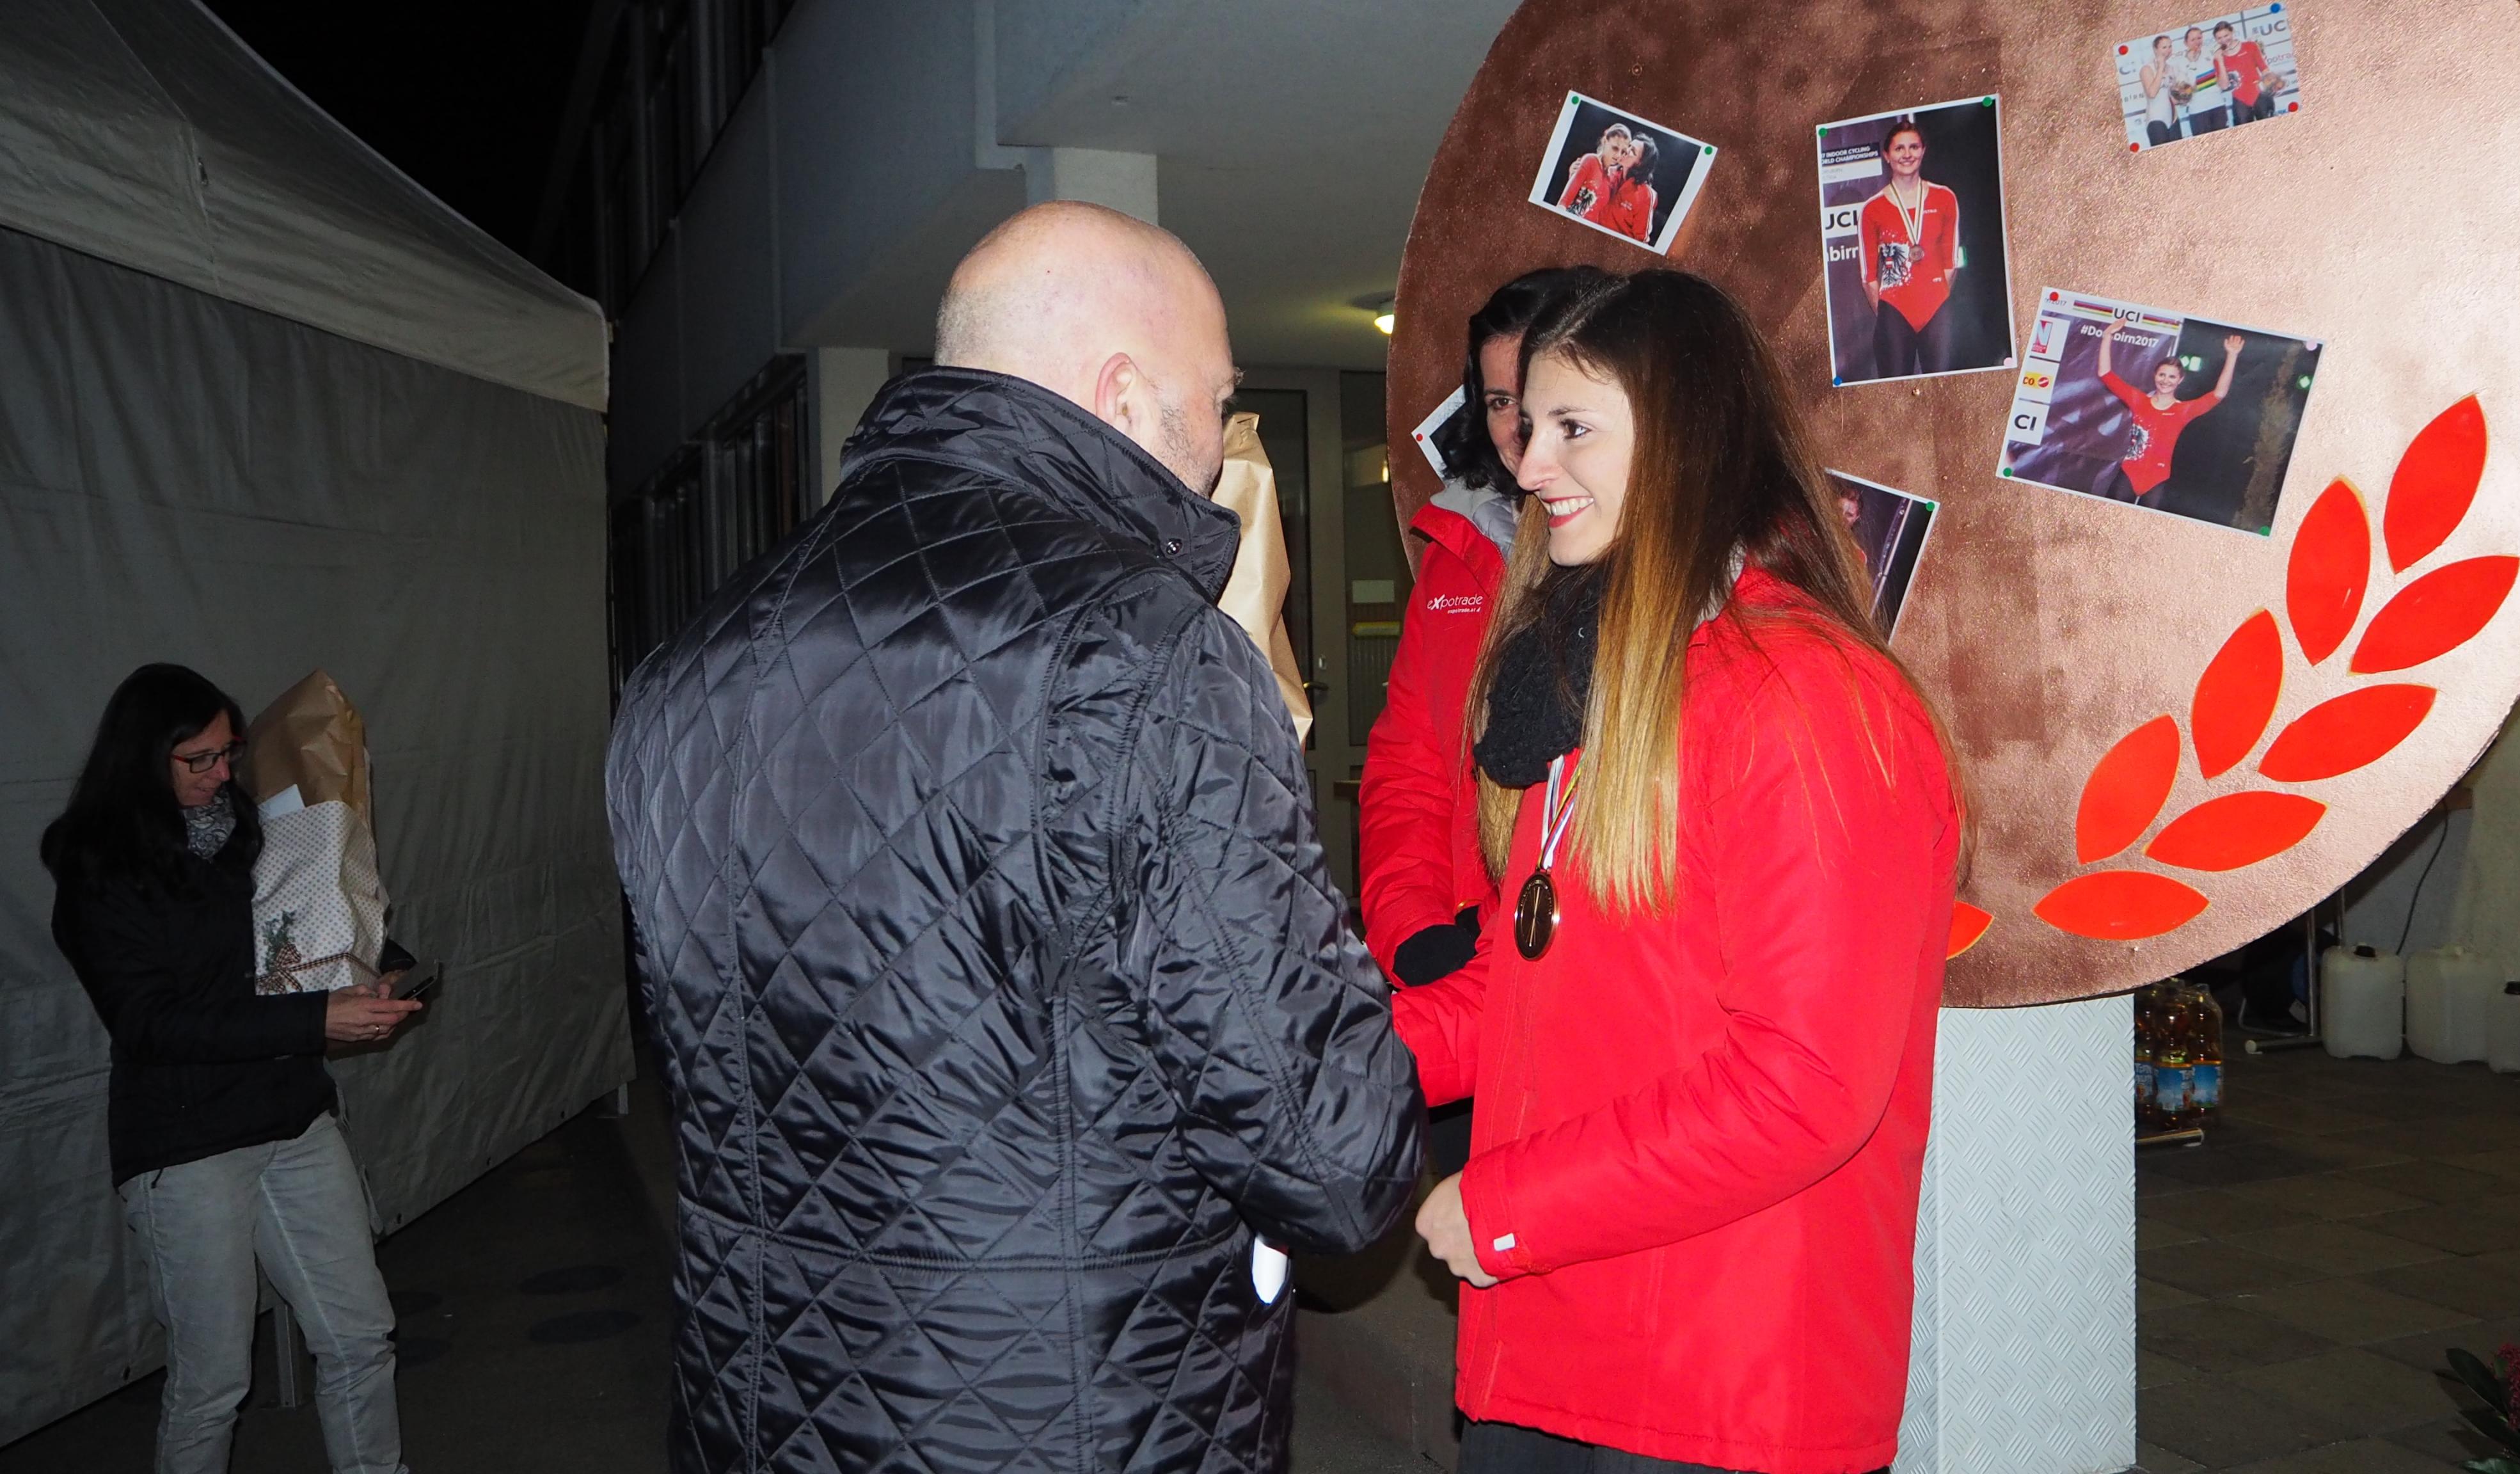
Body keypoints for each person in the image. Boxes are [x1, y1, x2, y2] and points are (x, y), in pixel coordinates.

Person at [604, 201, 1424, 1474]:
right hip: (1068, 1419)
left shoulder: (683, 670)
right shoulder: (1144, 653)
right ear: (1123, 395)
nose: (1221, 447)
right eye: (1216, 403)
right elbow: (1334, 1156)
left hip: (756, 1410)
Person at [1393, 269, 1958, 1474]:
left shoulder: (1804, 697)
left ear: (1687, 440)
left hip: (1724, 1376)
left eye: (1573, 428)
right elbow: (1537, 976)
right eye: (1528, 427)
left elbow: (1803, 1083)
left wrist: (1507, 1206)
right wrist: (1344, 1063)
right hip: (1561, 1338)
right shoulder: (1602, 672)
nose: (1530, 467)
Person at [42, 662, 419, 1474]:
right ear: (144, 757)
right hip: (187, 1145)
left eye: (228, 753)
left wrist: (376, 966)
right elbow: (150, 1025)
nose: (221, 775)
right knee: (213, 1383)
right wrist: (317, 1018)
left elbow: (303, 920)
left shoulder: (244, 831)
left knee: (360, 1338)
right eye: (199, 760)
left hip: (291, 1116)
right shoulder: (98, 869)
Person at [1361, 266, 1603, 1175]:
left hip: (1580, 976)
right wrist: (1413, 930)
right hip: (1453, 965)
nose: (1516, 431)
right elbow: (1408, 766)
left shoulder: (1651, 564)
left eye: (1538, 397)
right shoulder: (1453, 549)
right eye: (1500, 401)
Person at [1858, 122, 1963, 378]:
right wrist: (1889, 311)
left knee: (1946, 389)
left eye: (1914, 147)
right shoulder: (1872, 209)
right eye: (1899, 149)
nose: (1907, 155)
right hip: (1894, 312)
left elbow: (1951, 263)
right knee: (1895, 393)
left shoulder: (1944, 198)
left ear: (1923, 151)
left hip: (1937, 309)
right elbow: (1869, 277)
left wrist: (1933, 295)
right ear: (1887, 155)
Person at [2096, 324, 2244, 508]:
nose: (2166, 380)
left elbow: (2218, 394)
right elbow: (2105, 374)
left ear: (2180, 380)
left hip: (2158, 481)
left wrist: (2232, 356)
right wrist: (2107, 335)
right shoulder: (2138, 401)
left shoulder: (2184, 411)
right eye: (2162, 375)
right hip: (2128, 475)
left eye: (2172, 377)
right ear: (2155, 376)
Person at [1555, 123, 1631, 223]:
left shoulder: (1612, 179)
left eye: (1623, 152)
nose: (1618, 156)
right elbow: (1564, 201)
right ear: (1605, 141)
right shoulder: (1590, 161)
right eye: (1615, 148)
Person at [2215, 20, 2280, 125]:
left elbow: (2264, 69)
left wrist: (2272, 82)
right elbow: (2224, 86)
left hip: (2260, 94)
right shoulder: (2218, 58)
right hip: (2240, 99)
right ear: (2216, 40)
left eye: (2226, 36)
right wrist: (2220, 61)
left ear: (2232, 32)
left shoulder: (2250, 46)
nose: (2224, 40)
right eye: (2219, 38)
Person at [2179, 26, 2231, 136]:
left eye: (2199, 38)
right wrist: (2193, 64)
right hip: (2197, 110)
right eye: (2193, 40)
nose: (2197, 42)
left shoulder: (2211, 52)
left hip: (2218, 105)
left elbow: (2224, 84)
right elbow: (2186, 92)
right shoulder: (2181, 63)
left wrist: (2220, 60)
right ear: (2186, 43)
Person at [2139, 33, 2183, 147]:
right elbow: (2152, 93)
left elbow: (2174, 97)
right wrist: (2160, 69)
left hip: (2174, 119)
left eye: (2170, 46)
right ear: (2155, 49)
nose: (2168, 50)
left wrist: (2183, 96)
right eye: (2164, 47)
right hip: (2156, 120)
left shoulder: (2172, 69)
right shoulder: (2147, 69)